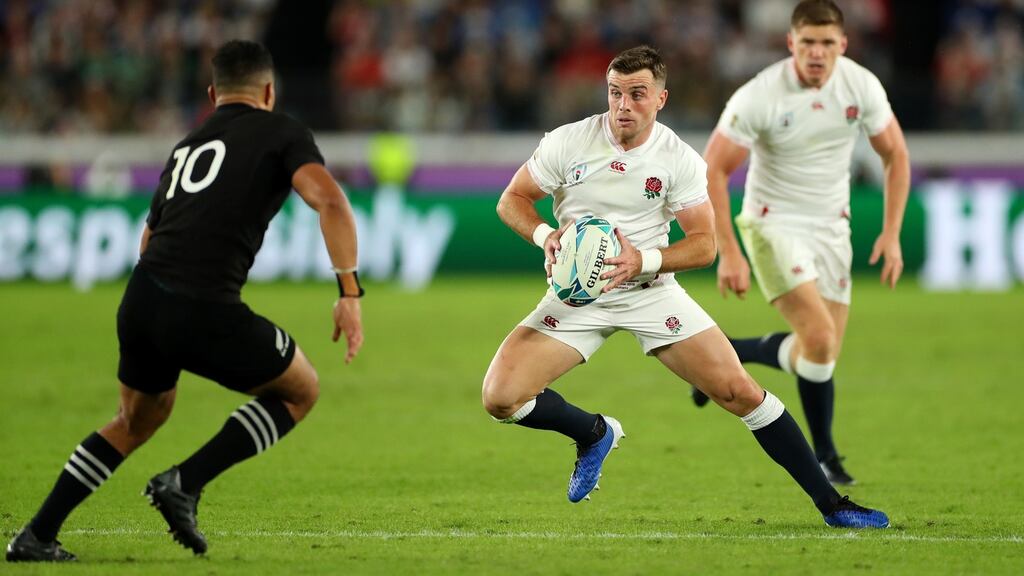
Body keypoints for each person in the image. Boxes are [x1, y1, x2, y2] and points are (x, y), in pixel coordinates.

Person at [481, 45, 888, 528]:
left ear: (660, 99)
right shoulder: (568, 142)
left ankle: (834, 505)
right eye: (615, 93)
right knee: (501, 397)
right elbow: (512, 199)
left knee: (739, 391)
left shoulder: (677, 159)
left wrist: (643, 261)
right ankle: (593, 434)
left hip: (650, 290)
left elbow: (704, 245)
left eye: (637, 94)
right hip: (578, 295)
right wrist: (548, 236)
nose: (622, 106)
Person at [6, 40, 364, 562]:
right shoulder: (283, 132)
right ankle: (184, 482)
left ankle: (36, 534)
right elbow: (329, 199)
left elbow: (150, 238)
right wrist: (349, 292)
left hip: (142, 297)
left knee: (136, 420)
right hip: (204, 306)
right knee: (299, 391)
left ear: (213, 92)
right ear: (269, 90)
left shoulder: (188, 145)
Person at [693, 0, 910, 486]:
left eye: (827, 43)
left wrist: (891, 233)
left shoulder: (860, 85)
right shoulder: (761, 95)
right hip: (773, 224)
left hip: (833, 226)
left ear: (843, 46)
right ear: (791, 43)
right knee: (818, 338)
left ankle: (730, 350)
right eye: (808, 42)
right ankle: (827, 458)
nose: (817, 53)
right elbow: (714, 169)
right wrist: (728, 249)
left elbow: (896, 155)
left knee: (822, 354)